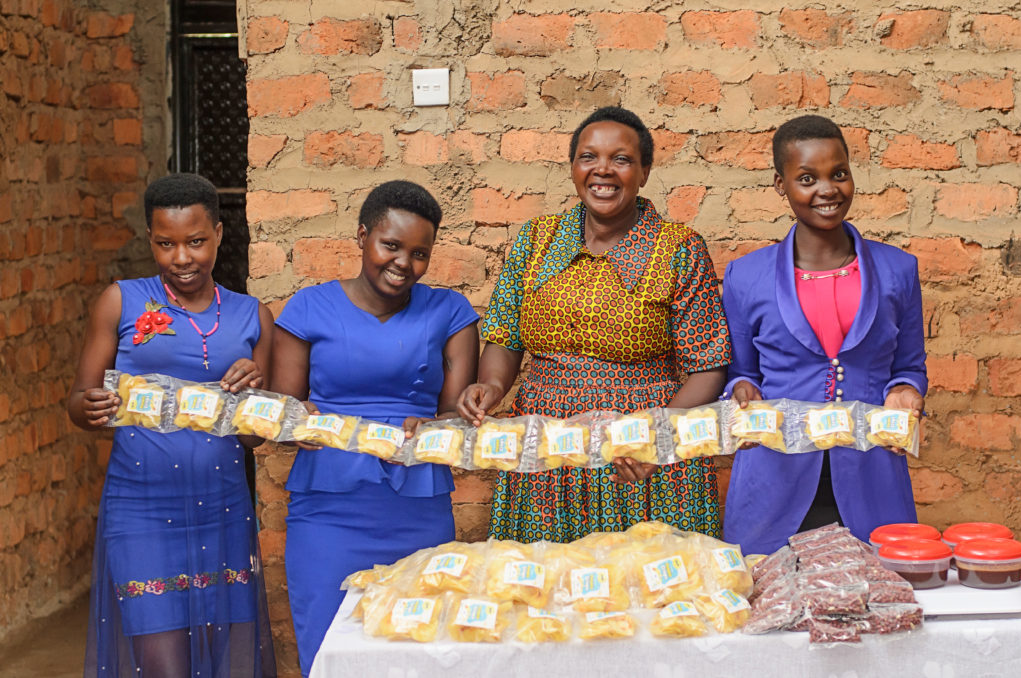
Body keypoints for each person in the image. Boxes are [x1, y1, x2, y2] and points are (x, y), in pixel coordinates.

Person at [457, 106, 732, 543]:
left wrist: (652, 439)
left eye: (621, 159)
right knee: (548, 591)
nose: (603, 170)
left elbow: (708, 366)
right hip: (549, 449)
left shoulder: (678, 248)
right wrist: (491, 385)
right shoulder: (536, 241)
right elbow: (505, 337)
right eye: (589, 157)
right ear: (573, 167)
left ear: (644, 172)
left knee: (653, 592)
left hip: (643, 453)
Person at [68, 173, 277, 678]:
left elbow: (254, 437)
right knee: (164, 666)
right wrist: (90, 407)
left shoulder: (253, 316)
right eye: (166, 244)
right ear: (151, 240)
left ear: (220, 235)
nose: (182, 257)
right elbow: (77, 401)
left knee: (220, 657)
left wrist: (254, 397)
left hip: (222, 509)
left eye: (196, 242)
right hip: (140, 509)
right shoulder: (121, 301)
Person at [271, 180, 479, 676]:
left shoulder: (450, 312)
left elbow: (455, 417)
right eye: (391, 245)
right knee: (326, 647)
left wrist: (434, 426)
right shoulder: (308, 308)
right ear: (362, 235)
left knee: (419, 649)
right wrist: (300, 422)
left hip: (417, 508)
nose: (403, 263)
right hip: (328, 510)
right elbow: (281, 415)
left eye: (419, 253)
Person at [721, 114, 927, 555]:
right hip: (775, 477)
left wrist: (907, 390)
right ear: (781, 184)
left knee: (880, 609)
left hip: (872, 477)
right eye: (807, 178)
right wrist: (741, 391)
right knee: (767, 610)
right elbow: (741, 373)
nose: (827, 190)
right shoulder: (746, 276)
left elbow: (908, 366)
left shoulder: (898, 270)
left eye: (839, 174)